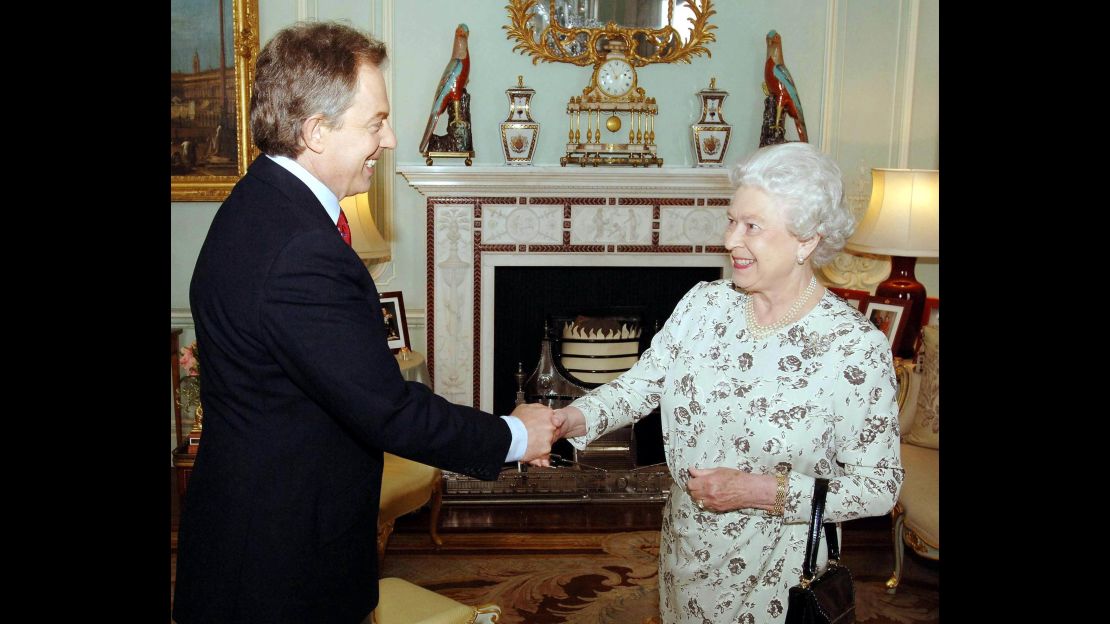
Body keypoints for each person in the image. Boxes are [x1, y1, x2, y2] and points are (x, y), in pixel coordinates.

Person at [173, 22, 559, 624]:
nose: (391, 138)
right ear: (316, 131)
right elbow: (388, 410)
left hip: (256, 532)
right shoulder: (300, 248)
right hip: (281, 566)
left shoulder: (259, 203)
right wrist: (515, 435)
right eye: (375, 121)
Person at [548, 142, 904, 623]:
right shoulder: (703, 305)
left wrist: (758, 491)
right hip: (686, 552)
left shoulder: (853, 347)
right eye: (731, 220)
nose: (731, 239)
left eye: (752, 226)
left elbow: (879, 486)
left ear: (807, 241)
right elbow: (640, 386)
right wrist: (567, 418)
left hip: (781, 571)